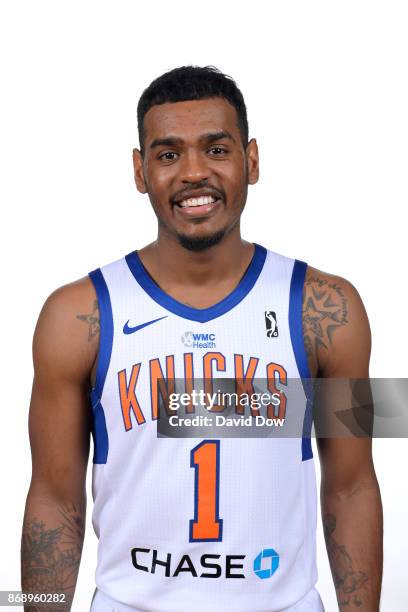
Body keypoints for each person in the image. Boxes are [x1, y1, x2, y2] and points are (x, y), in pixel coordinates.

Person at [21, 66, 383, 611]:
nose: (193, 173)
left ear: (251, 160)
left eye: (216, 149)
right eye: (168, 155)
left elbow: (352, 486)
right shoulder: (75, 315)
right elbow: (53, 498)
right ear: (140, 171)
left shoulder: (327, 309)